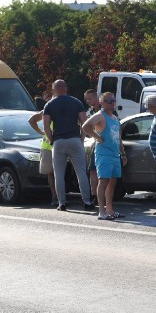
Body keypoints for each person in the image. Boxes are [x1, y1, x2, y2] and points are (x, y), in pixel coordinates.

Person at [42, 79, 94, 211]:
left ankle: (62, 203)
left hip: (59, 141)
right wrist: (81, 139)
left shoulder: (49, 105)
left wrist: (51, 140)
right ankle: (87, 202)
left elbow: (46, 126)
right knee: (81, 172)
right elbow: (84, 123)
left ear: (54, 89)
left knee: (59, 174)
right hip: (74, 139)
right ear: (66, 88)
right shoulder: (76, 102)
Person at [81, 92, 126, 220]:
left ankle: (110, 209)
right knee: (103, 181)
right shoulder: (100, 116)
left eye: (113, 100)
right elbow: (85, 126)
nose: (112, 103)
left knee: (113, 182)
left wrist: (122, 153)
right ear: (101, 103)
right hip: (104, 154)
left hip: (114, 154)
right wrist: (97, 137)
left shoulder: (115, 118)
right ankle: (101, 211)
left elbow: (118, 138)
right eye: (108, 101)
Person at [27, 111, 58, 205]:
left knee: (56, 173)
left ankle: (58, 197)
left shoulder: (53, 108)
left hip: (57, 146)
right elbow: (31, 120)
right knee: (51, 173)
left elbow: (32, 120)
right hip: (49, 146)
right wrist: (41, 132)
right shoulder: (47, 110)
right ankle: (55, 196)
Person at [83, 89, 101, 201]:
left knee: (101, 171)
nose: (88, 101)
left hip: (104, 144)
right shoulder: (89, 113)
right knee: (93, 170)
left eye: (90, 99)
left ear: (96, 97)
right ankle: (94, 195)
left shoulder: (107, 111)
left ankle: (101, 196)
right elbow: (85, 129)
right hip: (95, 144)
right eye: (86, 100)